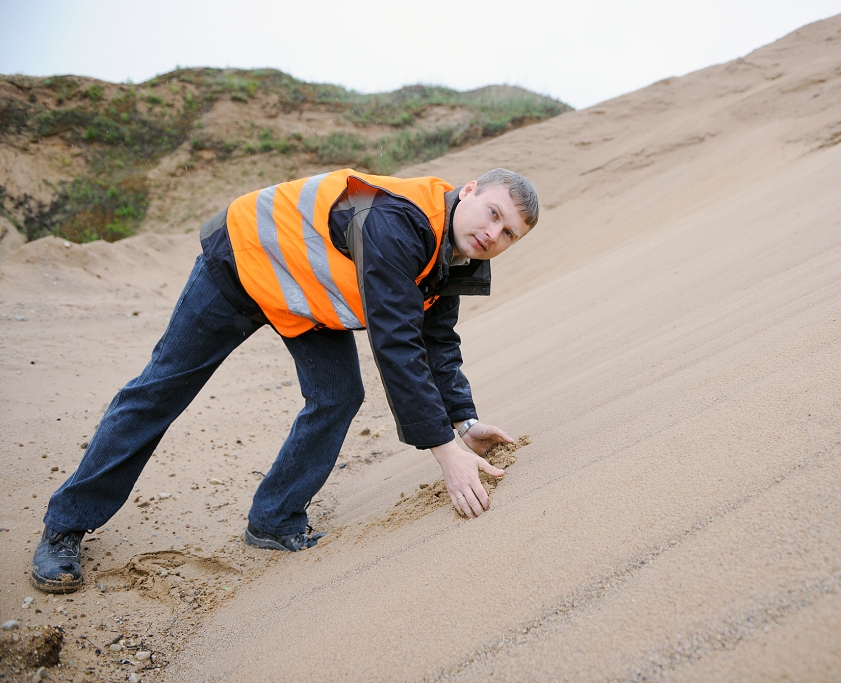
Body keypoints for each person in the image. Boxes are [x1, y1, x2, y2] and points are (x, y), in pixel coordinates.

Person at [31, 167, 538, 594]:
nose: (495, 234)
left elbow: (436, 344)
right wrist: (445, 451)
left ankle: (273, 520)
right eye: (494, 213)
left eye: (510, 234)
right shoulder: (400, 219)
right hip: (241, 262)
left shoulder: (454, 258)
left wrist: (463, 421)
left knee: (338, 395)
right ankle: (65, 526)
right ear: (468, 191)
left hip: (300, 295)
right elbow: (396, 344)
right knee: (160, 392)